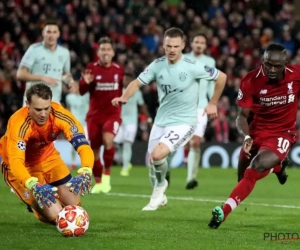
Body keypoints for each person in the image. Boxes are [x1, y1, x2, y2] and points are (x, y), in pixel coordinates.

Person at [112, 27, 227, 211]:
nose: (172, 50)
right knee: (152, 161)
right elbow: (137, 82)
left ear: (182, 45)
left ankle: (160, 187)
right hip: (161, 120)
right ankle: (161, 190)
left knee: (158, 155)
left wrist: (213, 102)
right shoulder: (157, 65)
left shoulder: (193, 66)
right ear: (163, 46)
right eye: (168, 46)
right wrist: (125, 97)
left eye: (175, 46)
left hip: (185, 121)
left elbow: (221, 77)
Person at [208, 43, 299, 229]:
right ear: (263, 62)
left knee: (255, 167)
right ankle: (277, 168)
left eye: (276, 66)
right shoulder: (251, 81)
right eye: (267, 64)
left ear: (285, 64)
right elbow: (242, 116)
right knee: (243, 178)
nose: (271, 70)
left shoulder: (296, 75)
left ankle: (223, 212)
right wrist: (246, 136)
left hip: (282, 133)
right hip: (256, 131)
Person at [0, 83, 94, 224]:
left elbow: (83, 146)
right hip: (21, 167)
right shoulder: (18, 124)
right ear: (27, 104)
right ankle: (36, 209)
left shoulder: (61, 115)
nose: (43, 114)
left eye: (46, 108)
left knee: (74, 207)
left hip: (49, 157)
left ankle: (45, 203)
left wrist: (86, 169)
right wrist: (32, 184)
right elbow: (16, 162)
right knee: (56, 217)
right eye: (38, 109)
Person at [74, 37, 124, 194]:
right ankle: (99, 182)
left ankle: (107, 177)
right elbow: (81, 91)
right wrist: (85, 82)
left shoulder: (119, 69)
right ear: (98, 52)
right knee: (94, 150)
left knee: (108, 140)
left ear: (113, 52)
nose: (106, 52)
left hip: (112, 114)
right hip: (94, 116)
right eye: (103, 49)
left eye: (108, 49)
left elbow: (124, 90)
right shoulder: (91, 68)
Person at [16, 20, 74, 105]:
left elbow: (65, 74)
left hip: (54, 102)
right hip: (33, 103)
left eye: (54, 32)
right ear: (43, 33)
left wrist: (70, 82)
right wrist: (43, 78)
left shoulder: (64, 53)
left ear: (58, 34)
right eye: (48, 32)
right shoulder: (34, 50)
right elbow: (20, 74)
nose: (51, 35)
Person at [114, 72, 152, 177]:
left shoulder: (136, 92)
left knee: (127, 144)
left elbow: (142, 106)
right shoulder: (117, 91)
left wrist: (148, 119)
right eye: (124, 79)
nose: (124, 81)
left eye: (127, 79)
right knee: (114, 143)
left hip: (131, 121)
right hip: (119, 121)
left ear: (131, 81)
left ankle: (125, 167)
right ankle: (126, 161)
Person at [66, 89, 90, 169]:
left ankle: (87, 164)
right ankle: (73, 162)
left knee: (87, 145)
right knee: (74, 145)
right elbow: (68, 110)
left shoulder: (87, 95)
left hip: (86, 123)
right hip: (75, 125)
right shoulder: (69, 97)